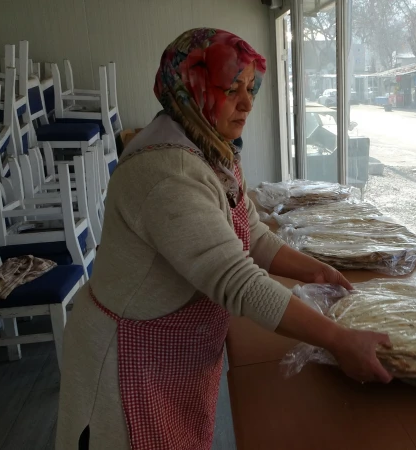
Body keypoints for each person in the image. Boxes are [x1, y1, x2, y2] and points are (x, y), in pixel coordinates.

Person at [56, 28, 392, 450]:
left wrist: (317, 270)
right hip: (128, 362)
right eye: (231, 89)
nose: (248, 103)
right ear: (190, 90)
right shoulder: (169, 173)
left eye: (250, 88)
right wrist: (339, 340)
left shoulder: (209, 147)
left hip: (171, 353)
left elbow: (248, 234)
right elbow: (238, 281)